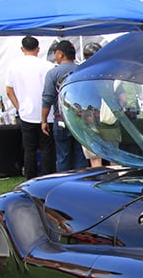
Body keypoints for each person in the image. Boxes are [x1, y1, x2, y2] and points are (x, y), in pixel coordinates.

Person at [5, 36, 54, 178]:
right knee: (46, 149)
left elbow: (9, 90)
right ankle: (47, 176)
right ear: (38, 49)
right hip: (46, 113)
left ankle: (30, 177)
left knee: (29, 149)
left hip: (26, 113)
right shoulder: (47, 66)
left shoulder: (13, 66)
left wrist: (19, 107)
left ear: (22, 49)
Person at [40, 40, 86, 172]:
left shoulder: (53, 73)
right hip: (80, 118)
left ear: (60, 54)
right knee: (80, 154)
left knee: (62, 155)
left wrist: (43, 120)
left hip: (61, 118)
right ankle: (82, 181)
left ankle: (63, 182)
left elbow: (47, 98)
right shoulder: (83, 70)